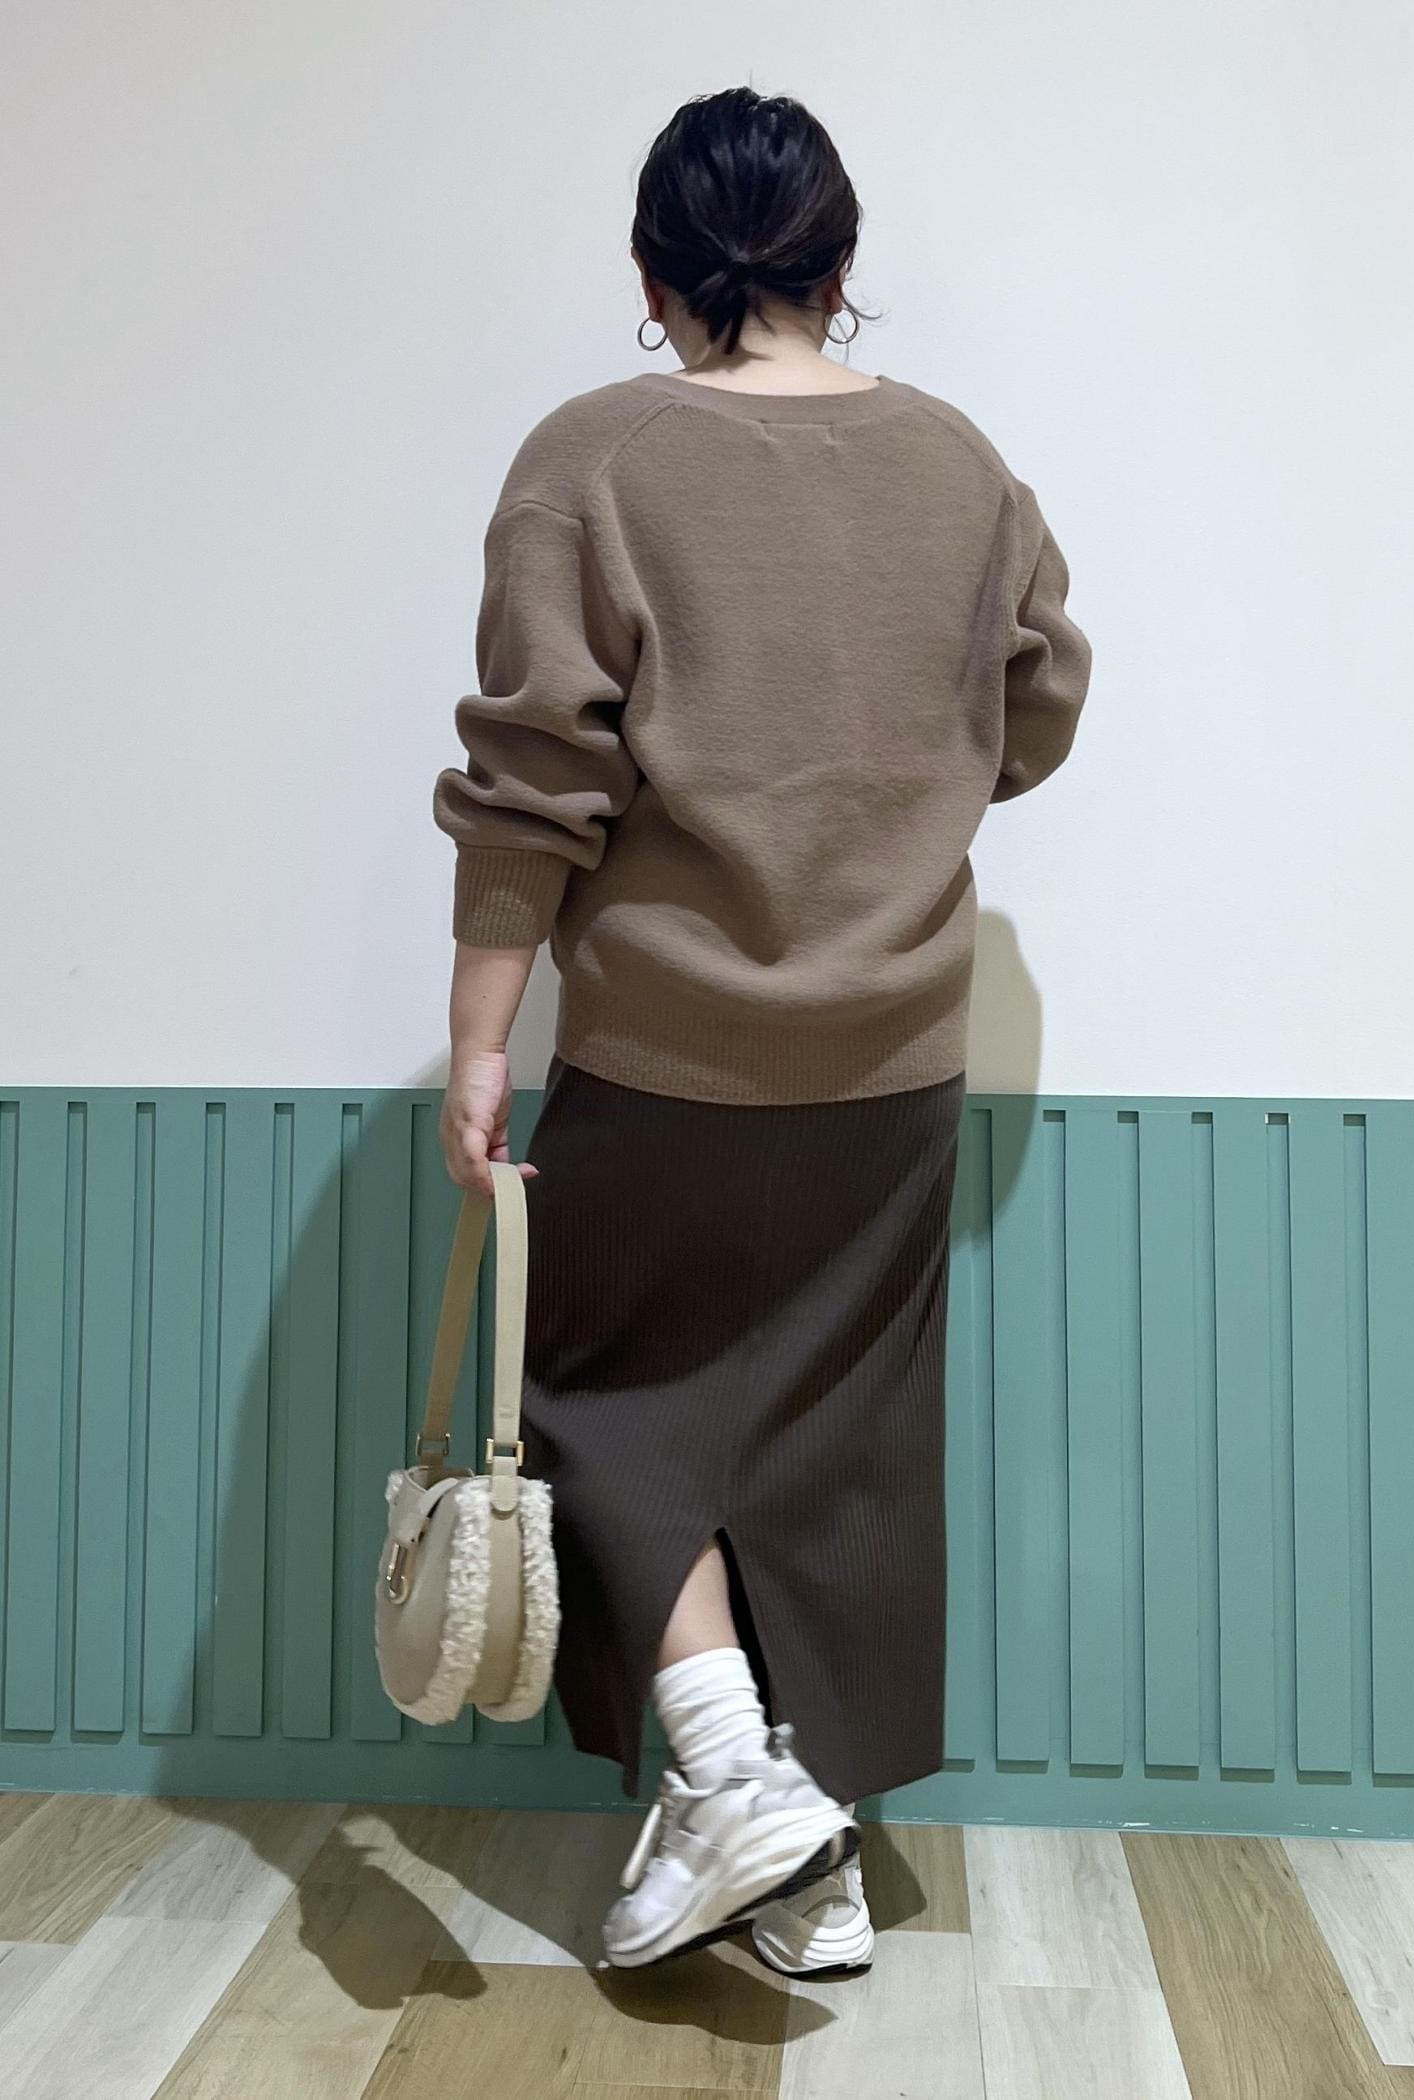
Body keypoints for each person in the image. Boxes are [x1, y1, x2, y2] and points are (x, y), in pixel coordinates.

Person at [433, 84, 1092, 1974]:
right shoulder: (959, 464)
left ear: (655, 273)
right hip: (896, 1061)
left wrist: (479, 1046)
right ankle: (807, 1869)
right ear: (839, 259)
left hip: (666, 1054)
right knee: (833, 1450)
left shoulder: (595, 459)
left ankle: (732, 1783)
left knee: (587, 1396)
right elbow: (1040, 707)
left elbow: (532, 787)